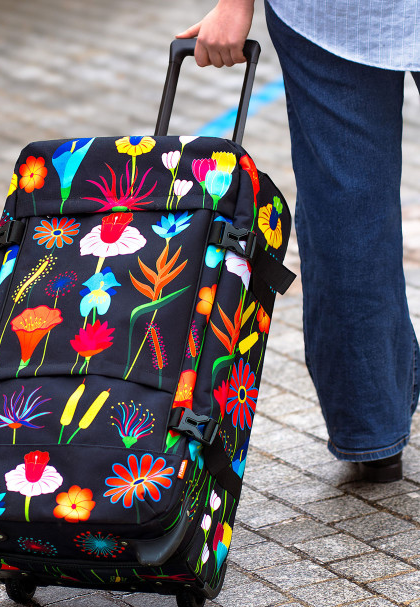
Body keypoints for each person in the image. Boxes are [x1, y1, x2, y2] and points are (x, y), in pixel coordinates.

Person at [178, 0, 420, 483]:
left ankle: (371, 428)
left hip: (332, 16)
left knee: (347, 207)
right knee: (345, 215)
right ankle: (370, 425)